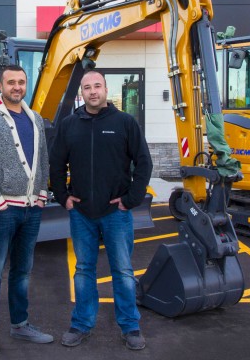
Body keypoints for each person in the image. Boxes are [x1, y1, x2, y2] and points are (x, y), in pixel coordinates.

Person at [49, 70, 153, 351]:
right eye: (87, 87)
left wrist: (130, 199)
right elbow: (56, 165)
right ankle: (81, 324)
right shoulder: (69, 125)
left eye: (97, 86)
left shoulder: (124, 123)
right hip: (81, 213)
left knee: (122, 270)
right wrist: (63, 197)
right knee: (83, 270)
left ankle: (130, 327)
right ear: (80, 93)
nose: (92, 91)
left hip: (116, 213)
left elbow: (144, 163)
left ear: (107, 89)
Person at [0, 64, 54, 357]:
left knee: (23, 271)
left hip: (31, 210)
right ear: (0, 86)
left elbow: (43, 159)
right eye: (11, 82)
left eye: (21, 82)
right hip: (3, 210)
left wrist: (42, 193)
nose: (17, 87)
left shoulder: (36, 119)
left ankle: (20, 325)